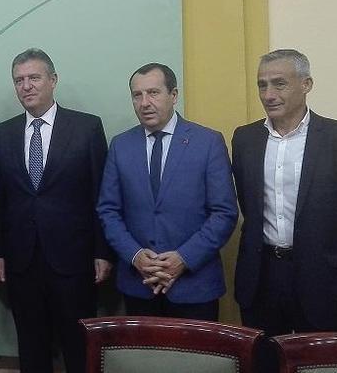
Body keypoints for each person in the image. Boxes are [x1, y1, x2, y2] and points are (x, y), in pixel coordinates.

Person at [233, 49, 337, 335]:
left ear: (306, 84)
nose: (268, 94)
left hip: (326, 283)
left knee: (318, 365)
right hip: (262, 282)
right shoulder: (246, 139)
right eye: (262, 84)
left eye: (279, 83)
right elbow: (249, 208)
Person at [0, 48, 112, 373]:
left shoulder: (86, 128)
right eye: (19, 80)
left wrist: (103, 252)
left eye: (34, 78)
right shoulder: (5, 133)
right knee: (31, 347)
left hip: (74, 260)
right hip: (22, 261)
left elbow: (102, 195)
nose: (26, 86)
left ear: (53, 80)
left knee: (77, 347)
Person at [96, 63, 237, 320]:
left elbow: (224, 212)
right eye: (137, 95)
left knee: (197, 360)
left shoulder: (208, 142)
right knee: (144, 360)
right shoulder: (121, 145)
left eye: (153, 93)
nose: (145, 102)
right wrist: (135, 256)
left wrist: (183, 258)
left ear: (173, 95)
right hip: (139, 284)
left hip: (194, 286)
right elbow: (108, 211)